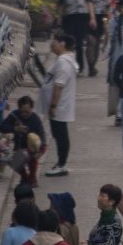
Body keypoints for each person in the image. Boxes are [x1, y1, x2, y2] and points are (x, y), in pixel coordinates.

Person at [43, 36, 80, 177]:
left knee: (61, 135)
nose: (52, 45)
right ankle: (61, 163)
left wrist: (53, 105)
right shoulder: (64, 60)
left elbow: (58, 86)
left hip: (60, 106)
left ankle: (61, 164)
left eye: (54, 42)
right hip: (61, 105)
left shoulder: (63, 63)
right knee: (60, 134)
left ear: (62, 44)